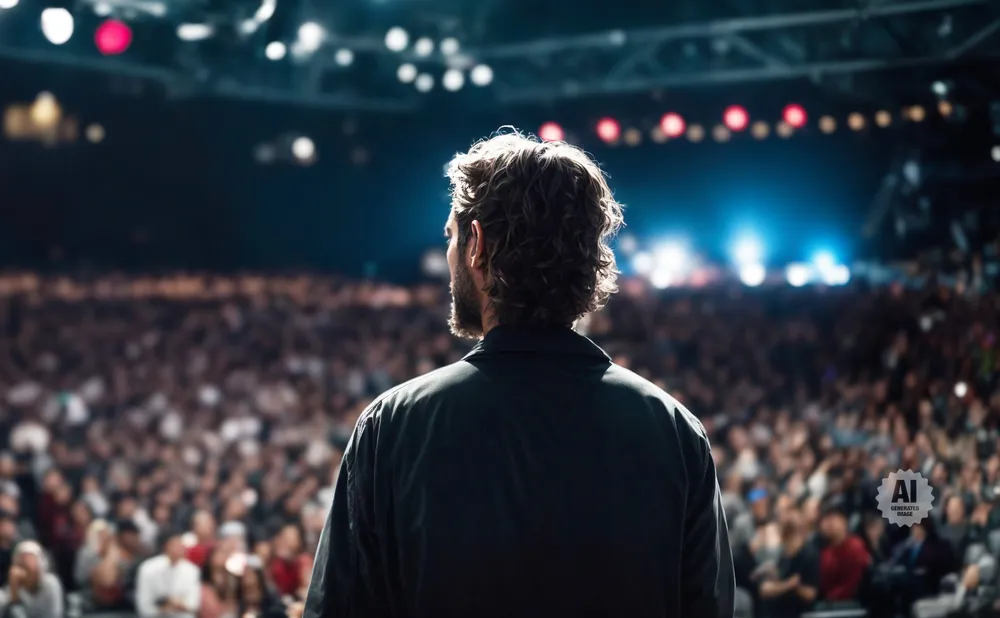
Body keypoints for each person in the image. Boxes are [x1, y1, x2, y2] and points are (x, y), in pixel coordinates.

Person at [305, 130, 735, 618]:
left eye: (451, 235)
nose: (448, 256)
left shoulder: (392, 428)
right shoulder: (675, 433)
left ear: (477, 246)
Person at [135, 529, 201, 618]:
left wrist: (177, 604)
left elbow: (194, 605)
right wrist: (164, 607)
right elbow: (144, 607)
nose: (179, 548)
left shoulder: (192, 570)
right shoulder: (147, 569)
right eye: (174, 545)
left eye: (180, 544)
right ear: (165, 546)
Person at [0, 540, 64, 618]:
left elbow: (54, 615)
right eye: (23, 566)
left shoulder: (50, 584)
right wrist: (14, 596)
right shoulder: (8, 592)